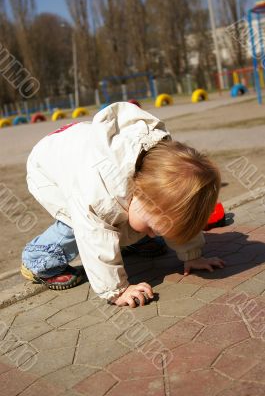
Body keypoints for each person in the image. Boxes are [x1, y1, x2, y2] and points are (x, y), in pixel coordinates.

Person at [21, 102, 224, 308]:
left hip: (83, 145)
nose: (154, 234)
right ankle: (38, 259)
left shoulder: (156, 177)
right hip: (48, 168)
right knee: (79, 222)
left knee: (130, 218)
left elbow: (178, 217)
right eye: (153, 228)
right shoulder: (98, 195)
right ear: (141, 193)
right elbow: (94, 236)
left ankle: (135, 240)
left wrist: (192, 255)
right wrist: (117, 290)